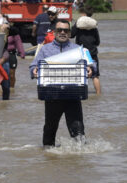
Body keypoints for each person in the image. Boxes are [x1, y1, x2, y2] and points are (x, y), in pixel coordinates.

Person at [30, 19, 93, 147]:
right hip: (52, 95)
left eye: (66, 30)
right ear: (54, 32)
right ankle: (48, 155)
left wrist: (91, 68)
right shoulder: (44, 50)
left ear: (70, 33)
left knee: (78, 129)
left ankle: (80, 156)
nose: (63, 32)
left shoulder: (79, 49)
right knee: (50, 128)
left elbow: (92, 63)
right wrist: (34, 70)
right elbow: (33, 66)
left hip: (73, 95)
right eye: (60, 30)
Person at [71, 6, 101, 95]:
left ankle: (81, 94)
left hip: (81, 53)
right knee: (95, 76)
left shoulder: (78, 24)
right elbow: (98, 41)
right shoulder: (94, 27)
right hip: (93, 53)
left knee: (80, 75)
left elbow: (71, 35)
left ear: (83, 14)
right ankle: (98, 94)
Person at [7, 19, 25, 88]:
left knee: (12, 75)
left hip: (11, 55)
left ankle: (12, 89)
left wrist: (22, 53)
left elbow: (19, 43)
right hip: (2, 55)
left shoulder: (14, 32)